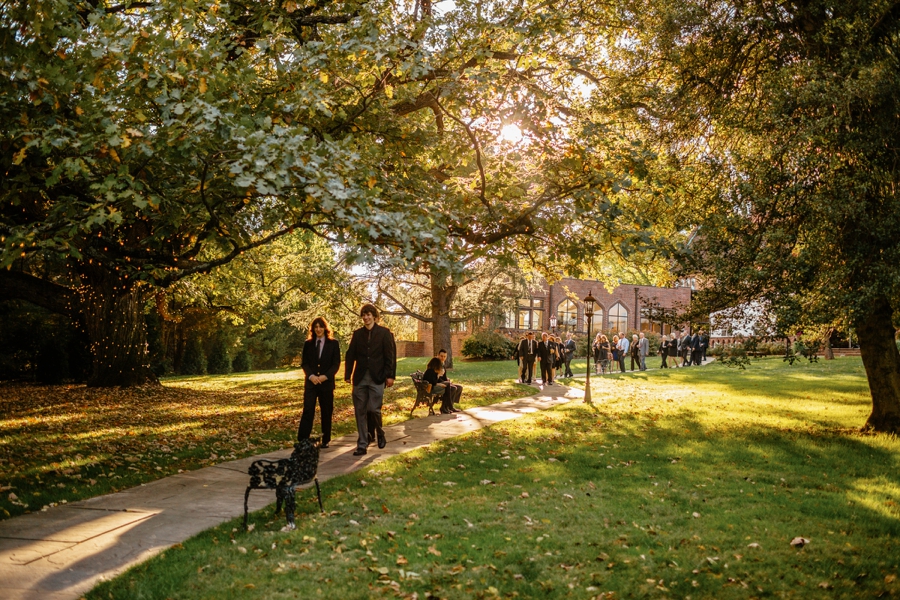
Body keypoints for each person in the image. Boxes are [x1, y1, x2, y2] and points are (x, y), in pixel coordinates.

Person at [344, 304, 396, 456]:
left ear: (374, 316)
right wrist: (348, 374)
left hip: (377, 377)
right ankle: (362, 444)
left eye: (368, 315)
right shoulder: (357, 334)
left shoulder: (384, 333)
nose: (366, 317)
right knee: (360, 411)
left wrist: (390, 376)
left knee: (374, 409)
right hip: (360, 378)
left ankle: (380, 433)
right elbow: (350, 355)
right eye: (363, 315)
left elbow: (390, 356)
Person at [298, 317, 341, 448]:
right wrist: (310, 376)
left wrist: (325, 376)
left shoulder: (333, 344)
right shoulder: (308, 344)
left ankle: (326, 439)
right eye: (316, 327)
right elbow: (304, 363)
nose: (318, 329)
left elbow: (336, 364)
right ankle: (303, 439)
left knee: (326, 411)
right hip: (311, 383)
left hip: (326, 384)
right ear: (313, 329)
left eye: (320, 327)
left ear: (325, 328)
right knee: (308, 410)